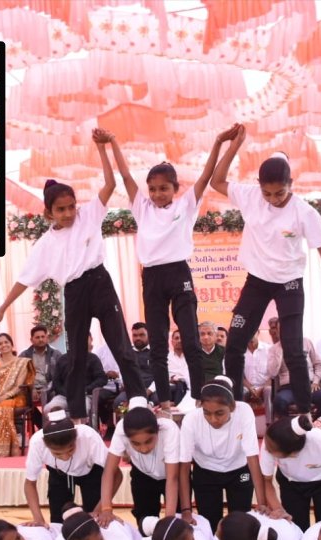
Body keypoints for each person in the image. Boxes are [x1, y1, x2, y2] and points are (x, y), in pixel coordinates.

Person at [0, 131, 146, 423]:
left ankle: (138, 399)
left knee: (121, 345)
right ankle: (77, 416)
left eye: (71, 206)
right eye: (61, 210)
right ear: (49, 213)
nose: (69, 213)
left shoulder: (88, 216)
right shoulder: (46, 244)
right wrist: (1, 309)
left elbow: (110, 184)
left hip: (100, 283)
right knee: (75, 357)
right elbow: (24, 280)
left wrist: (102, 148)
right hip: (74, 292)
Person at [102, 125, 240, 413]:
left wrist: (218, 142)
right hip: (152, 277)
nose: (157, 194)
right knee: (158, 346)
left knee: (190, 340)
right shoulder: (142, 208)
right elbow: (125, 176)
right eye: (152, 189)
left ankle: (199, 399)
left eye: (164, 188)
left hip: (179, 275)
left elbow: (205, 177)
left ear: (175, 189)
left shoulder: (185, 206)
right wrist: (112, 142)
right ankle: (164, 402)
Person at [210, 127, 321, 409]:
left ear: (291, 184)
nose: (273, 199)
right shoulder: (250, 196)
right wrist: (234, 145)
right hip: (257, 282)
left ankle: (305, 413)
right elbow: (217, 181)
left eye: (280, 192)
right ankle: (236, 408)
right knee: (234, 344)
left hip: (289, 283)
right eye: (267, 193)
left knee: (294, 350)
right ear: (259, 185)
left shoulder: (304, 212)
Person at [179, 377, 267, 534]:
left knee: (239, 526)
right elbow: (184, 467)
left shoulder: (244, 411)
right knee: (209, 525)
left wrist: (262, 504)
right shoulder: (191, 419)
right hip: (205, 472)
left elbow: (253, 458)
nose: (213, 419)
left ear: (232, 406)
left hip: (239, 470)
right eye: (207, 413)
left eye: (219, 413)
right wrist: (186, 510)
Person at [24, 409, 119, 525]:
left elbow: (117, 474)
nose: (65, 457)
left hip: (92, 472)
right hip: (59, 473)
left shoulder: (88, 436)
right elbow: (30, 483)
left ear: (76, 438)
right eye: (57, 454)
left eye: (70, 450)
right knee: (58, 521)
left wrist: (102, 509)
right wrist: (38, 519)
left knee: (96, 522)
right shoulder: (37, 442)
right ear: (45, 445)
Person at [97, 406, 180, 528]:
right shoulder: (121, 429)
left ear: (158, 431)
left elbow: (172, 478)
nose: (143, 449)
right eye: (135, 444)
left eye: (148, 441)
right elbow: (109, 470)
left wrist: (169, 521)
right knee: (144, 520)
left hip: (172, 475)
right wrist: (106, 509)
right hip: (142, 474)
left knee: (177, 521)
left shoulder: (169, 429)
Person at [269, 319, 321, 419]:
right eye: (281, 329)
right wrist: (280, 350)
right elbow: (272, 373)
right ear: (278, 330)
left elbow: (319, 365)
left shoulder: (306, 342)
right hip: (288, 388)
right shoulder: (274, 349)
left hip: (308, 386)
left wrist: (316, 381)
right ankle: (289, 426)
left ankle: (314, 423)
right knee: (279, 401)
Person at [45, 334, 105, 414]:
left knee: (82, 410)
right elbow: (56, 382)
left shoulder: (93, 358)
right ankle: (61, 422)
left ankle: (81, 423)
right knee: (48, 409)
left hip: (84, 395)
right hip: (64, 396)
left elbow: (101, 379)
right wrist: (66, 393)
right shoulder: (62, 359)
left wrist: (85, 390)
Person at [20, 324, 63, 405]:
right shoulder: (24, 356)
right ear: (31, 340)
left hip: (51, 389)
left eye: (43, 337)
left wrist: (47, 390)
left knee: (55, 398)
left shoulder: (56, 354)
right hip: (30, 390)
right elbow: (20, 377)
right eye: (37, 337)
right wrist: (32, 388)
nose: (41, 339)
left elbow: (61, 376)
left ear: (47, 338)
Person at [243, 330, 271, 406]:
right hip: (247, 387)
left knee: (268, 391)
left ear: (258, 332)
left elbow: (273, 375)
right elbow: (240, 375)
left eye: (252, 331)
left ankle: (270, 414)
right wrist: (250, 387)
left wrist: (262, 388)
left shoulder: (269, 349)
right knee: (240, 392)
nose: (250, 334)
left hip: (266, 386)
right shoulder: (241, 351)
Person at [166, 330, 191, 404]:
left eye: (182, 338)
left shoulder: (191, 357)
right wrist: (171, 378)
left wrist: (180, 378)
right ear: (172, 342)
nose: (179, 340)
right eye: (177, 338)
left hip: (188, 387)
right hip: (171, 387)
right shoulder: (166, 357)